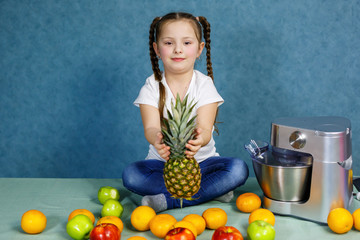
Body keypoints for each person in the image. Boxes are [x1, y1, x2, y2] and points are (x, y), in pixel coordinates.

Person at [122, 12, 249, 212]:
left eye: (187, 43)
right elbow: (150, 126)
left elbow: (206, 129)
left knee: (238, 169)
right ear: (156, 49)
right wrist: (157, 138)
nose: (178, 50)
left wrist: (201, 138)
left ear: (199, 49)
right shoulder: (151, 86)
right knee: (131, 175)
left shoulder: (204, 85)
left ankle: (167, 201)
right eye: (169, 43)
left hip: (203, 164)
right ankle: (211, 191)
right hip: (162, 166)